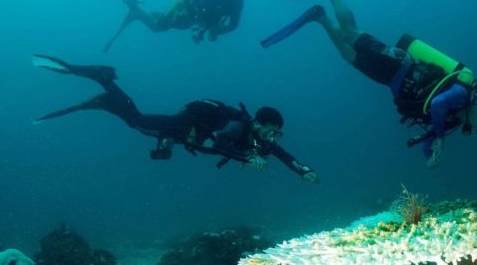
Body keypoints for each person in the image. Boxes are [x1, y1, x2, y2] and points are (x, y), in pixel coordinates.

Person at [260, 0, 477, 168]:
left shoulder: (451, 121)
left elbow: (429, 137)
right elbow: (437, 103)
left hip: (390, 80)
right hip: (399, 65)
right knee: (352, 33)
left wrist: (431, 156)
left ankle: (320, 17)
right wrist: (441, 138)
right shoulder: (462, 95)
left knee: (349, 56)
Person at [32, 55, 318, 181]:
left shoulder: (260, 141)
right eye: (271, 131)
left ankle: (105, 100)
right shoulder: (238, 126)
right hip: (183, 126)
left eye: (277, 134)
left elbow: (284, 155)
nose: (272, 138)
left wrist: (303, 171)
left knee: (136, 123)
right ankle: (105, 81)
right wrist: (246, 157)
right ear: (259, 123)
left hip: (184, 134)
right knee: (138, 121)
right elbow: (220, 143)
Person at [104, 0, 252, 52]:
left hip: (191, 11)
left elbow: (234, 24)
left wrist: (217, 30)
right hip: (185, 5)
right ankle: (135, 10)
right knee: (158, 27)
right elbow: (203, 6)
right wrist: (209, 28)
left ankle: (141, 12)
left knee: (165, 21)